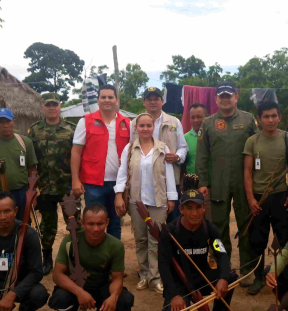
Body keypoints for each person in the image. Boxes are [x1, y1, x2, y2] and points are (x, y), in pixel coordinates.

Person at [158, 176, 239, 311]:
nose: (194, 213)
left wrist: (222, 278)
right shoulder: (170, 232)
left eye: (198, 207)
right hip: (179, 282)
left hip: (202, 277)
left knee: (231, 276)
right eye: (189, 208)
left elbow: (222, 255)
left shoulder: (210, 229)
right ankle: (178, 303)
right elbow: (163, 265)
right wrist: (174, 295)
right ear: (181, 210)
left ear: (204, 208)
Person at [196, 81, 257, 285]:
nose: (225, 98)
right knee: (217, 228)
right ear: (216, 99)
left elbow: (257, 150)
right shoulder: (208, 123)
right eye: (221, 95)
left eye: (228, 95)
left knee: (246, 224)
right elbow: (202, 155)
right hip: (218, 182)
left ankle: (247, 268)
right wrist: (202, 182)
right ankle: (224, 267)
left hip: (244, 182)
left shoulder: (249, 120)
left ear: (236, 97)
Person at [48, 204, 134, 311]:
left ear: (107, 222)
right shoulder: (70, 240)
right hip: (75, 287)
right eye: (90, 224)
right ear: (82, 223)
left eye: (100, 224)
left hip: (100, 286)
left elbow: (117, 278)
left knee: (125, 300)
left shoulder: (116, 245)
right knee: (59, 299)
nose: (95, 229)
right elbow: (58, 275)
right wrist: (79, 292)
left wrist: (113, 297)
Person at [115, 113, 177, 294]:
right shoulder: (129, 149)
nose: (145, 128)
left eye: (148, 125)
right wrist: (119, 195)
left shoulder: (162, 148)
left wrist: (171, 198)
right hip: (136, 201)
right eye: (141, 125)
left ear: (153, 128)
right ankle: (143, 274)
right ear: (135, 128)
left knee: (156, 240)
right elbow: (122, 173)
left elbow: (169, 174)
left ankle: (155, 277)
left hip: (158, 201)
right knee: (141, 239)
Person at [243, 101, 288, 295]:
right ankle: (258, 277)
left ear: (279, 117)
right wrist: (251, 199)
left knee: (284, 239)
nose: (270, 120)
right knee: (257, 240)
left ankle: (284, 278)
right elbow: (248, 171)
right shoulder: (252, 141)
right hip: (258, 199)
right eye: (266, 116)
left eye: (274, 116)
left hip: (281, 197)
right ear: (259, 119)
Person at [29, 93, 80, 276]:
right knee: (47, 226)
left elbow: (79, 155)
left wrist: (77, 180)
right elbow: (31, 161)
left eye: (55, 104)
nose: (52, 107)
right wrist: (33, 187)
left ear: (60, 107)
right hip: (45, 188)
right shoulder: (34, 130)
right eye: (48, 104)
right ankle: (47, 259)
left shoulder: (71, 129)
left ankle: (75, 259)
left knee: (74, 224)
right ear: (42, 107)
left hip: (67, 186)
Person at [71, 84, 131, 239]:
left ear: (117, 101)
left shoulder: (127, 123)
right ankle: (95, 259)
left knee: (115, 223)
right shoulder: (85, 121)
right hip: (93, 184)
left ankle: (112, 260)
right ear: (97, 100)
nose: (107, 100)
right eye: (103, 97)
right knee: (93, 224)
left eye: (110, 97)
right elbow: (76, 152)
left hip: (119, 184)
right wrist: (75, 180)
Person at [130, 87, 188, 222]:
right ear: (143, 102)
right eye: (149, 99)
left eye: (156, 99)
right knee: (148, 224)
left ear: (162, 101)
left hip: (170, 180)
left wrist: (177, 156)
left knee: (173, 222)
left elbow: (183, 147)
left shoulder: (174, 122)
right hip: (144, 182)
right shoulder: (134, 124)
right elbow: (131, 150)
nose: (153, 102)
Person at [0, 108, 38, 221]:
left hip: (21, 193)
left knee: (22, 227)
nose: (5, 125)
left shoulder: (25, 142)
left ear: (13, 121)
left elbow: (32, 169)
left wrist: (32, 195)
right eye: (1, 122)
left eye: (8, 121)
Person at [183, 103, 212, 220]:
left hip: (210, 188)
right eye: (192, 117)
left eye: (199, 117)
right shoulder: (185, 138)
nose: (196, 120)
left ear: (207, 116)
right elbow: (183, 164)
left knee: (209, 220)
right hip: (192, 189)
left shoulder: (213, 136)